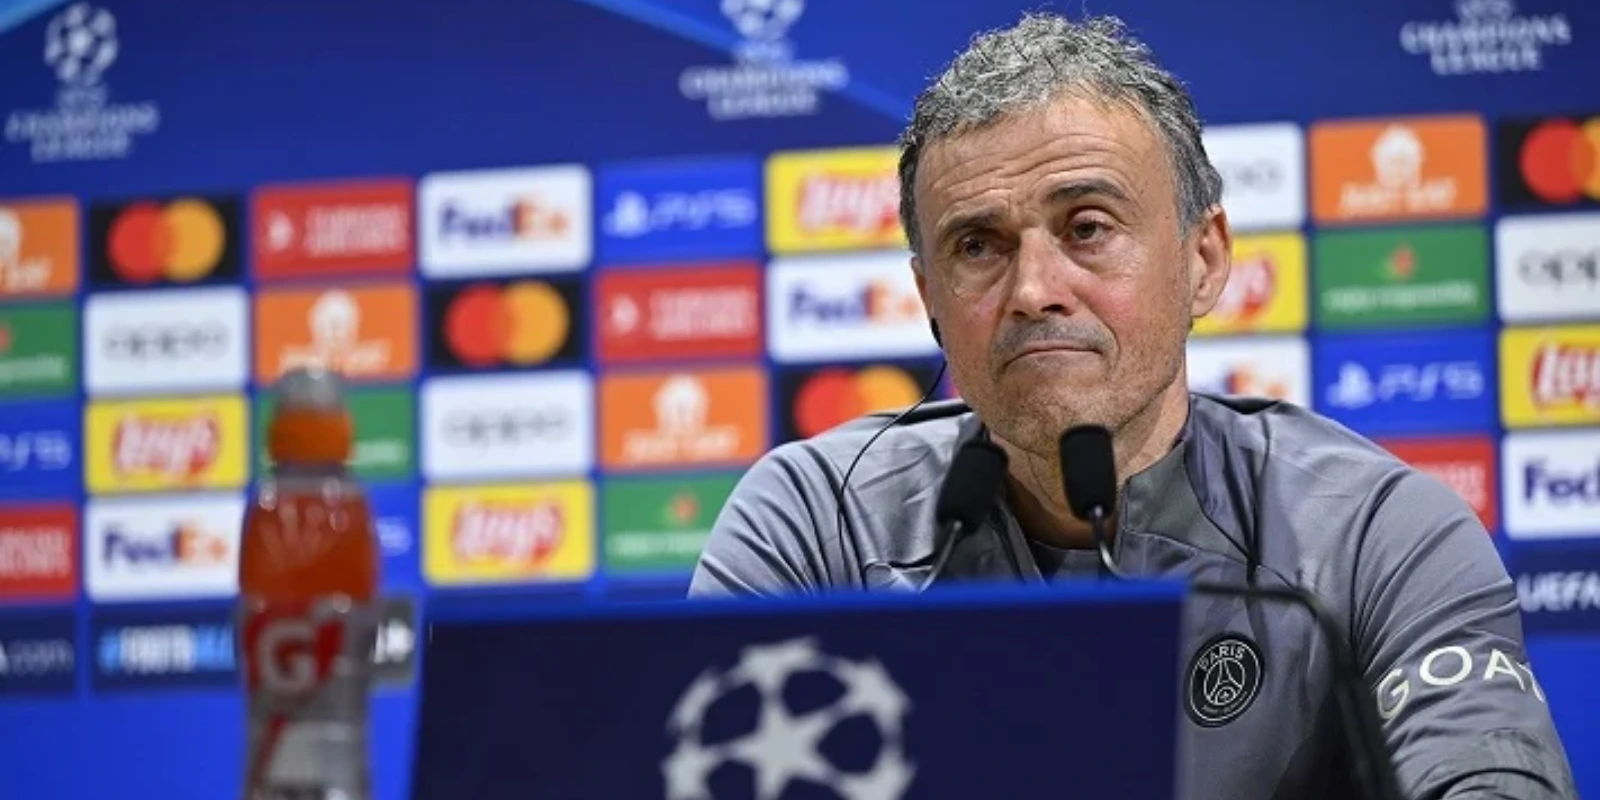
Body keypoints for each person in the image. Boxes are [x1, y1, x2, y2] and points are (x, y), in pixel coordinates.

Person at [688, 10, 1578, 800]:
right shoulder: (817, 521)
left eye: (1087, 228)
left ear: (1204, 260)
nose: (1033, 290)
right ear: (929, 299)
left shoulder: (1373, 534)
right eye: (979, 246)